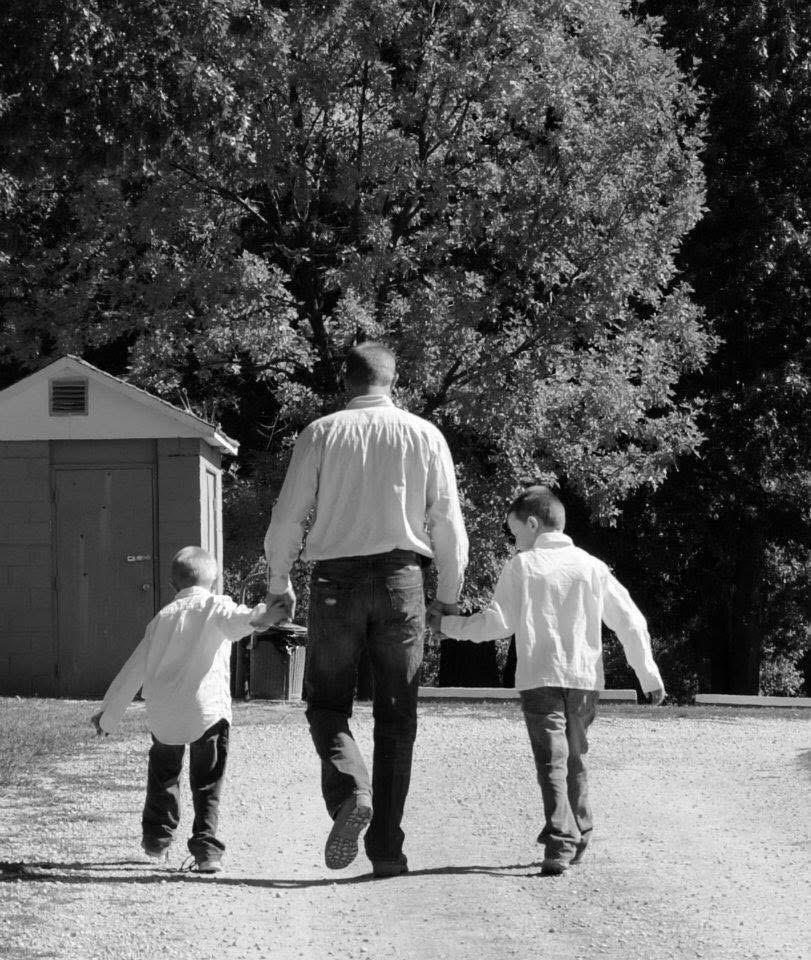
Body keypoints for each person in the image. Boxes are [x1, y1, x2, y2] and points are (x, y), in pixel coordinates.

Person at [261, 342, 468, 878]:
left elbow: (288, 518)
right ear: (393, 380)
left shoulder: (321, 432)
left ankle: (352, 791)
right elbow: (447, 523)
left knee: (327, 703)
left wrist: (278, 583)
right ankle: (387, 851)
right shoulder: (425, 434)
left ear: (346, 381)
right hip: (404, 580)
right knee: (397, 717)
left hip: (335, 581)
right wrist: (447, 596)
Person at [429, 485, 665, 876]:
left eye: (515, 531)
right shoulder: (592, 566)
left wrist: (449, 626)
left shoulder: (522, 566)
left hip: (540, 677)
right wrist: (648, 676)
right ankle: (580, 830)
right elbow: (630, 620)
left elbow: (497, 624)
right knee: (574, 756)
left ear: (534, 524)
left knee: (550, 762)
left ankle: (559, 840)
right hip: (584, 679)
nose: (514, 540)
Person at [90, 546, 266, 873]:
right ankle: (206, 850)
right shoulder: (216, 606)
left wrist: (108, 714)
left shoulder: (161, 620)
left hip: (164, 714)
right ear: (214, 581)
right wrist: (262, 615)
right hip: (206, 712)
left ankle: (156, 838)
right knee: (207, 781)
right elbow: (242, 621)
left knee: (163, 776)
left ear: (174, 586)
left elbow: (134, 669)